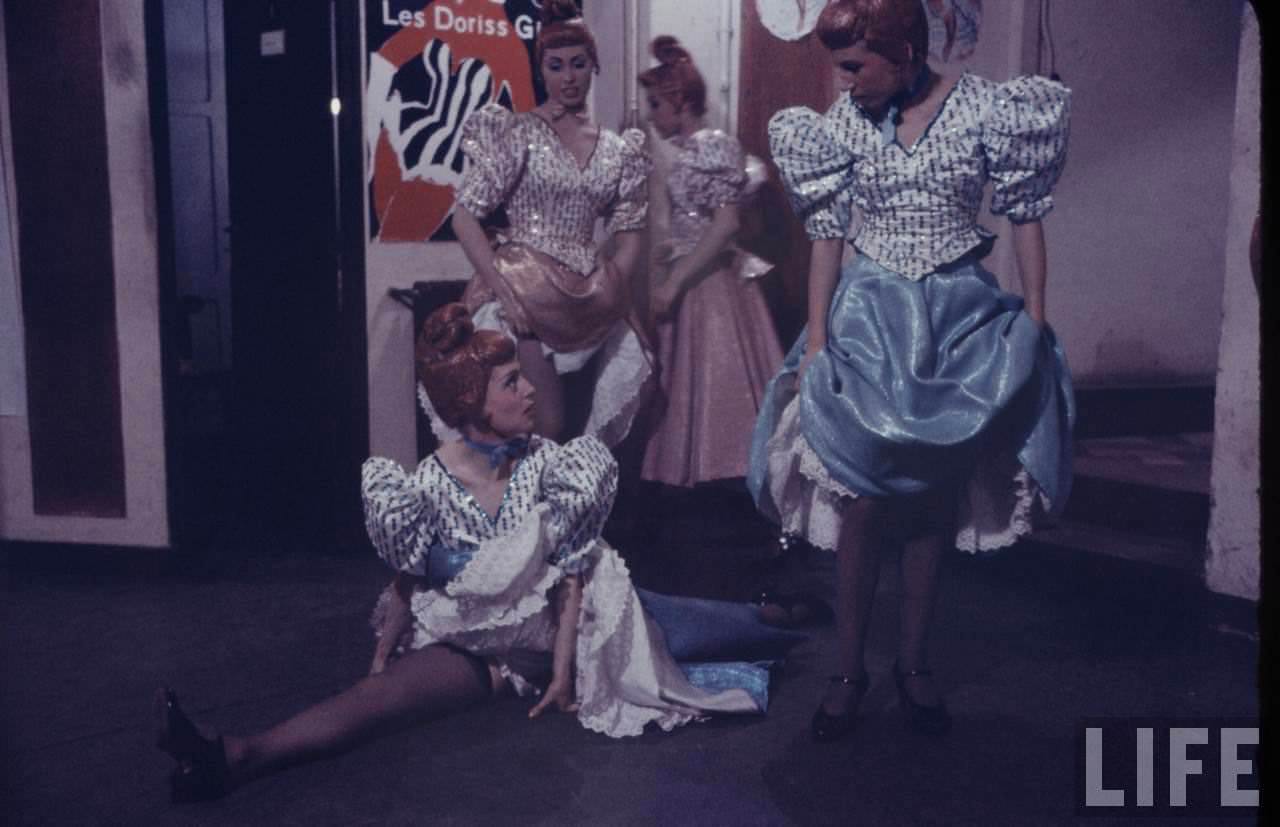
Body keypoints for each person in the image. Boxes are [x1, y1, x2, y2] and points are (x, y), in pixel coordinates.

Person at [155, 303, 804, 802]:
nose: (529, 393)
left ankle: (778, 610)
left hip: (592, 626)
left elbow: (578, 574)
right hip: (481, 650)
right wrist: (386, 646)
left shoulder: (551, 465)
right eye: (511, 383)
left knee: (734, 629)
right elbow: (413, 567)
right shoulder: (430, 480)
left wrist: (560, 674)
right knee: (373, 699)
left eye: (522, 379)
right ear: (471, 402)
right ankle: (234, 755)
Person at [748, 0, 1073, 742]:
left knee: (931, 498)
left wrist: (1035, 315)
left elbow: (1026, 213)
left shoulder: (989, 110)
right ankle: (849, 667)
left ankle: (916, 662)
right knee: (863, 497)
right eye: (840, 64)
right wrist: (820, 340)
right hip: (871, 318)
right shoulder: (839, 126)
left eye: (856, 64)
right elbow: (827, 237)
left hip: (957, 318)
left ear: (903, 49)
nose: (844, 79)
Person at [451, 0, 651, 447]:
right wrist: (505, 292)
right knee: (544, 423)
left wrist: (613, 281)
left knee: (605, 425)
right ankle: (522, 514)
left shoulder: (619, 150)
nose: (568, 77)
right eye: (556, 66)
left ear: (593, 66)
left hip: (591, 299)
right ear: (541, 70)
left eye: (578, 64)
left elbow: (631, 231)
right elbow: (464, 217)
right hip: (524, 293)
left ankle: (568, 513)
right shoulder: (518, 133)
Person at [637, 36, 785, 489]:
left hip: (711, 283)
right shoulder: (693, 150)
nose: (650, 114)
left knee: (721, 384)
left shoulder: (710, 146)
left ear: (680, 102)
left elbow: (725, 226)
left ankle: (729, 489)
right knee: (686, 383)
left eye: (656, 104)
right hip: (695, 276)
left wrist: (676, 279)